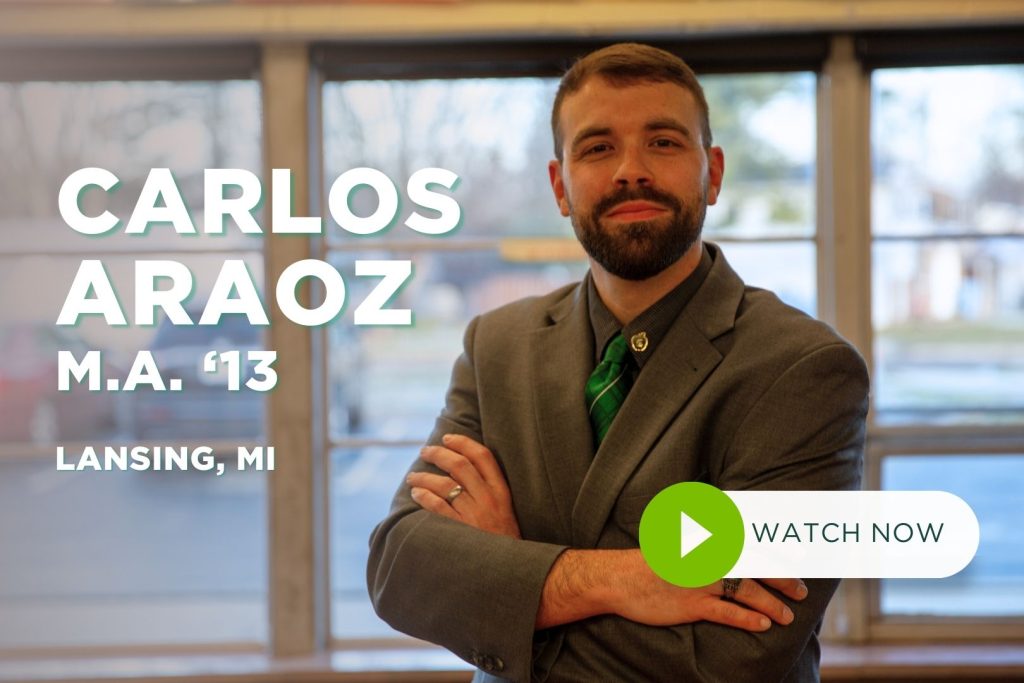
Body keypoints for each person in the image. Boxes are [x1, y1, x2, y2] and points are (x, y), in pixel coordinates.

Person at [367, 42, 869, 682]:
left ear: (712, 173)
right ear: (561, 186)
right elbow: (401, 569)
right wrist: (617, 578)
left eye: (662, 142)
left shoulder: (805, 369)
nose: (631, 169)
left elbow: (732, 660)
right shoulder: (496, 346)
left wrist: (510, 575)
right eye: (598, 147)